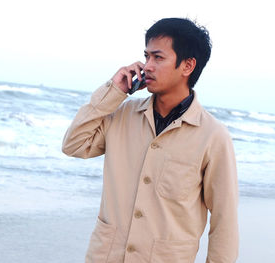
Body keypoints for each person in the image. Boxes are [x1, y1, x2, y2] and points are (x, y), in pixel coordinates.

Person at [62, 18, 238, 263]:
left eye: (158, 58)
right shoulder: (122, 114)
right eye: (146, 57)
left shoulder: (212, 136)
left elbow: (224, 220)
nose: (147, 66)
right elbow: (74, 145)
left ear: (187, 66)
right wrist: (114, 90)